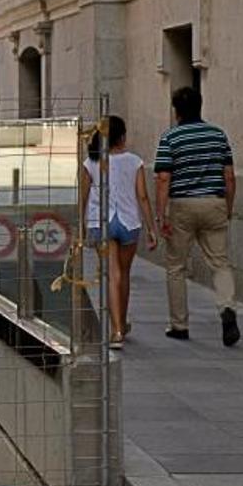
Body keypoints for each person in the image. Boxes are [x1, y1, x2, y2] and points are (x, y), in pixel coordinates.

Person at [155, 87, 239, 346]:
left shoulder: (170, 137)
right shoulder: (217, 135)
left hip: (182, 205)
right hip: (214, 203)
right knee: (220, 263)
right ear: (200, 106)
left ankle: (179, 325)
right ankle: (227, 310)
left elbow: (163, 177)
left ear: (176, 110)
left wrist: (162, 215)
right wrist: (228, 207)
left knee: (176, 267)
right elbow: (229, 175)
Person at [80, 115, 157, 349]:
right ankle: (121, 321)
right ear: (122, 137)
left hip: (100, 221)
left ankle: (117, 331)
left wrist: (80, 227)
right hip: (128, 222)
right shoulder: (134, 161)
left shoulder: (91, 162)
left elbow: (82, 196)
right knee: (124, 274)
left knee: (112, 274)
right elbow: (142, 196)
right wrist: (152, 227)